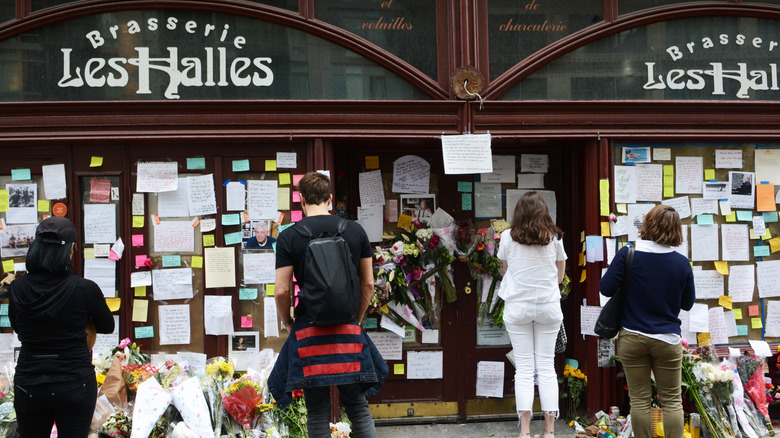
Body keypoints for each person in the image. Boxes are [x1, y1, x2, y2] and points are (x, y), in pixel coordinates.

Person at [268, 171, 388, 438]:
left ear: (301, 199)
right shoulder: (355, 230)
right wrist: (355, 320)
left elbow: (281, 290)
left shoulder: (289, 237)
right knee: (358, 406)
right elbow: (368, 284)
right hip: (348, 332)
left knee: (317, 410)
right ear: (330, 198)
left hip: (310, 332)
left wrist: (289, 323)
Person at [9, 216, 115, 437]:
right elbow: (107, 325)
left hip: (30, 383)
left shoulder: (18, 288)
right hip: (74, 383)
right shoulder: (85, 289)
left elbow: (17, 327)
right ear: (70, 250)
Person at [600, 204, 695, 438]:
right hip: (667, 339)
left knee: (639, 401)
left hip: (633, 337)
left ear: (648, 224)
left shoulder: (628, 254)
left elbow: (605, 287)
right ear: (676, 230)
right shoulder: (681, 263)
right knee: (672, 400)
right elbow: (687, 304)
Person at [497, 191, 566, 438]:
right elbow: (560, 276)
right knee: (547, 367)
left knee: (524, 369)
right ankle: (549, 431)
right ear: (543, 211)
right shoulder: (555, 236)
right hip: (548, 305)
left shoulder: (507, 236)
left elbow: (506, 270)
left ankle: (525, 432)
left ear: (518, 212)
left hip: (518, 306)